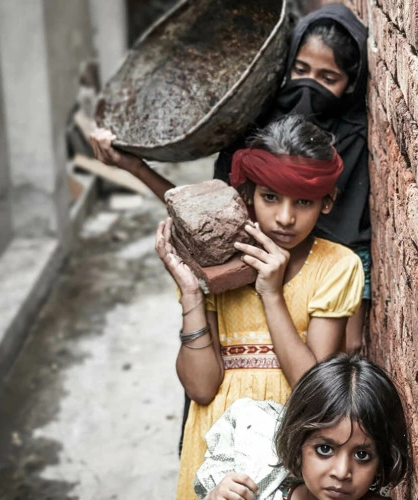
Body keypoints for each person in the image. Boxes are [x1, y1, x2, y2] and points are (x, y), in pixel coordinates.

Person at [90, 3, 372, 355]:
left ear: (350, 83)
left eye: (327, 78)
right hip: (239, 310)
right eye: (301, 70)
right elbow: (207, 215)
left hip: (311, 319)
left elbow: (353, 258)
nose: (285, 217)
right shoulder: (256, 127)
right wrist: (134, 166)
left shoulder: (354, 141)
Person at [156, 115, 365, 500]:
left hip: (292, 443)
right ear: (248, 196)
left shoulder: (337, 266)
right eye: (270, 197)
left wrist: (271, 294)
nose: (285, 217)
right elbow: (201, 388)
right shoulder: (214, 264)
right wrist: (190, 295)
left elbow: (314, 389)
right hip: (217, 444)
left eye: (303, 202)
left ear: (327, 201)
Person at [197, 354, 411, 500]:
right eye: (325, 450)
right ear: (298, 443)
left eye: (362, 455)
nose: (342, 472)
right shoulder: (264, 493)